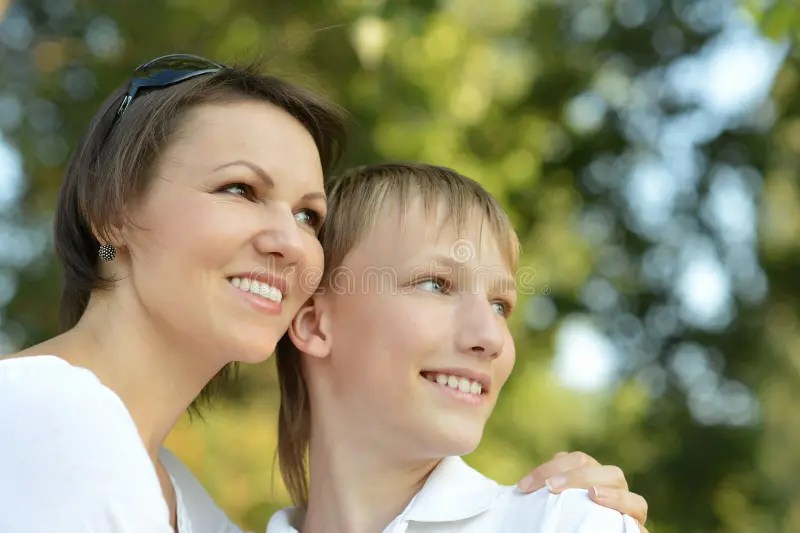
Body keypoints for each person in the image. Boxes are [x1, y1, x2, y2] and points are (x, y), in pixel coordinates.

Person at [0, 55, 646, 533]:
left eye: (308, 215)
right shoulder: (49, 411)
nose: (288, 240)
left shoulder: (192, 507)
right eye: (240, 189)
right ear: (109, 208)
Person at [268, 163, 642, 532]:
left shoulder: (567, 523)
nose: (491, 338)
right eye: (435, 284)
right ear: (316, 324)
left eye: (500, 306)